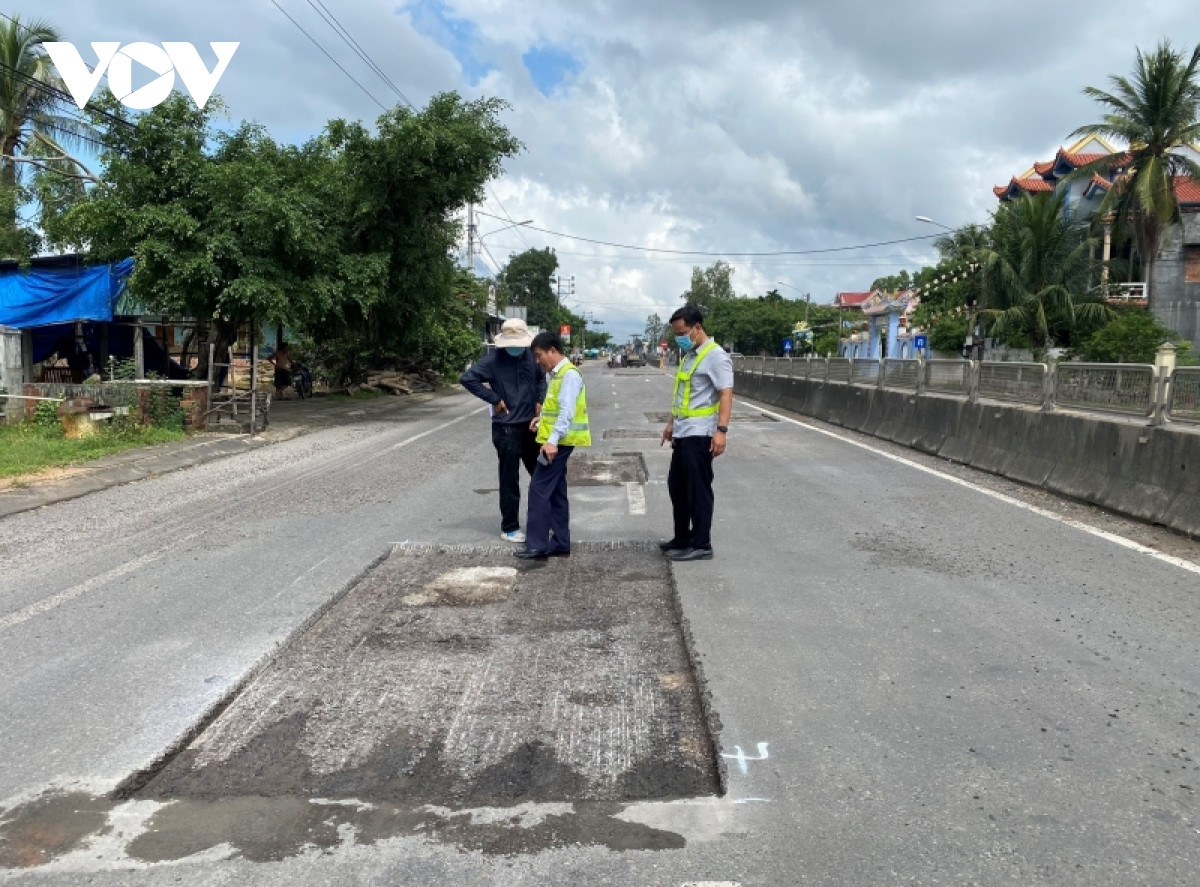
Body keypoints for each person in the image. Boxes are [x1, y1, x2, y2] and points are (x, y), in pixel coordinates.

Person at [658, 304, 734, 561]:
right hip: (683, 431)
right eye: (676, 333)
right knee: (677, 486)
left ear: (697, 328)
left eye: (682, 332)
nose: (679, 338)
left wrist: (721, 431)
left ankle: (702, 543)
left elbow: (725, 393)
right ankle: (682, 537)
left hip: (701, 434)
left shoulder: (716, 355)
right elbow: (681, 395)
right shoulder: (689, 355)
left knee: (698, 489)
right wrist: (671, 423)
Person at [461, 318, 546, 543]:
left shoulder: (532, 358)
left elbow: (541, 380)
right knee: (509, 478)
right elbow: (468, 378)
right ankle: (510, 526)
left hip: (531, 426)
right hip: (506, 427)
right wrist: (494, 398)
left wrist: (540, 398)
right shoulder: (493, 361)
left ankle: (544, 521)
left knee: (540, 474)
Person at [513, 331, 591, 561]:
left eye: (539, 356)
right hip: (555, 440)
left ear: (553, 351)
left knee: (538, 490)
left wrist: (552, 441)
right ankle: (560, 542)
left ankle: (536, 545)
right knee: (556, 492)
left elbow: (566, 413)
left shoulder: (569, 375)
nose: (538, 362)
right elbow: (555, 408)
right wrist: (542, 419)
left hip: (558, 443)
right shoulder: (556, 375)